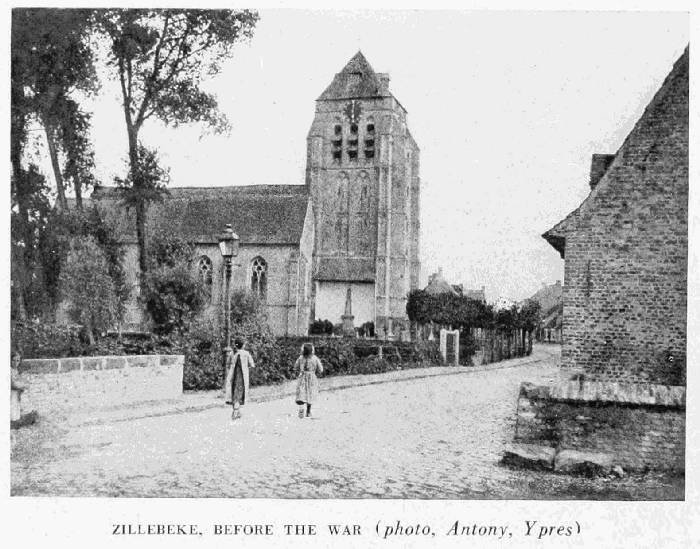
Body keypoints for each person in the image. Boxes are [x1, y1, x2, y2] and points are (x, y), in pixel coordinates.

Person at [224, 338, 255, 421]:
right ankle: (236, 412)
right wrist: (246, 368)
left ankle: (236, 411)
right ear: (243, 345)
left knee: (234, 393)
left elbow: (227, 364)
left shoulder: (232, 353)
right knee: (239, 394)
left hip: (233, 376)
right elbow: (252, 365)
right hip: (242, 377)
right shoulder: (246, 354)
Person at [295, 343, 323, 418]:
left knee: (301, 392)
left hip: (302, 376)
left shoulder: (301, 358)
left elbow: (295, 366)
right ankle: (308, 411)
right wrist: (315, 371)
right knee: (310, 393)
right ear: (311, 350)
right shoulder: (315, 358)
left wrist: (300, 370)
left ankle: (301, 409)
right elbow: (321, 369)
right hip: (312, 377)